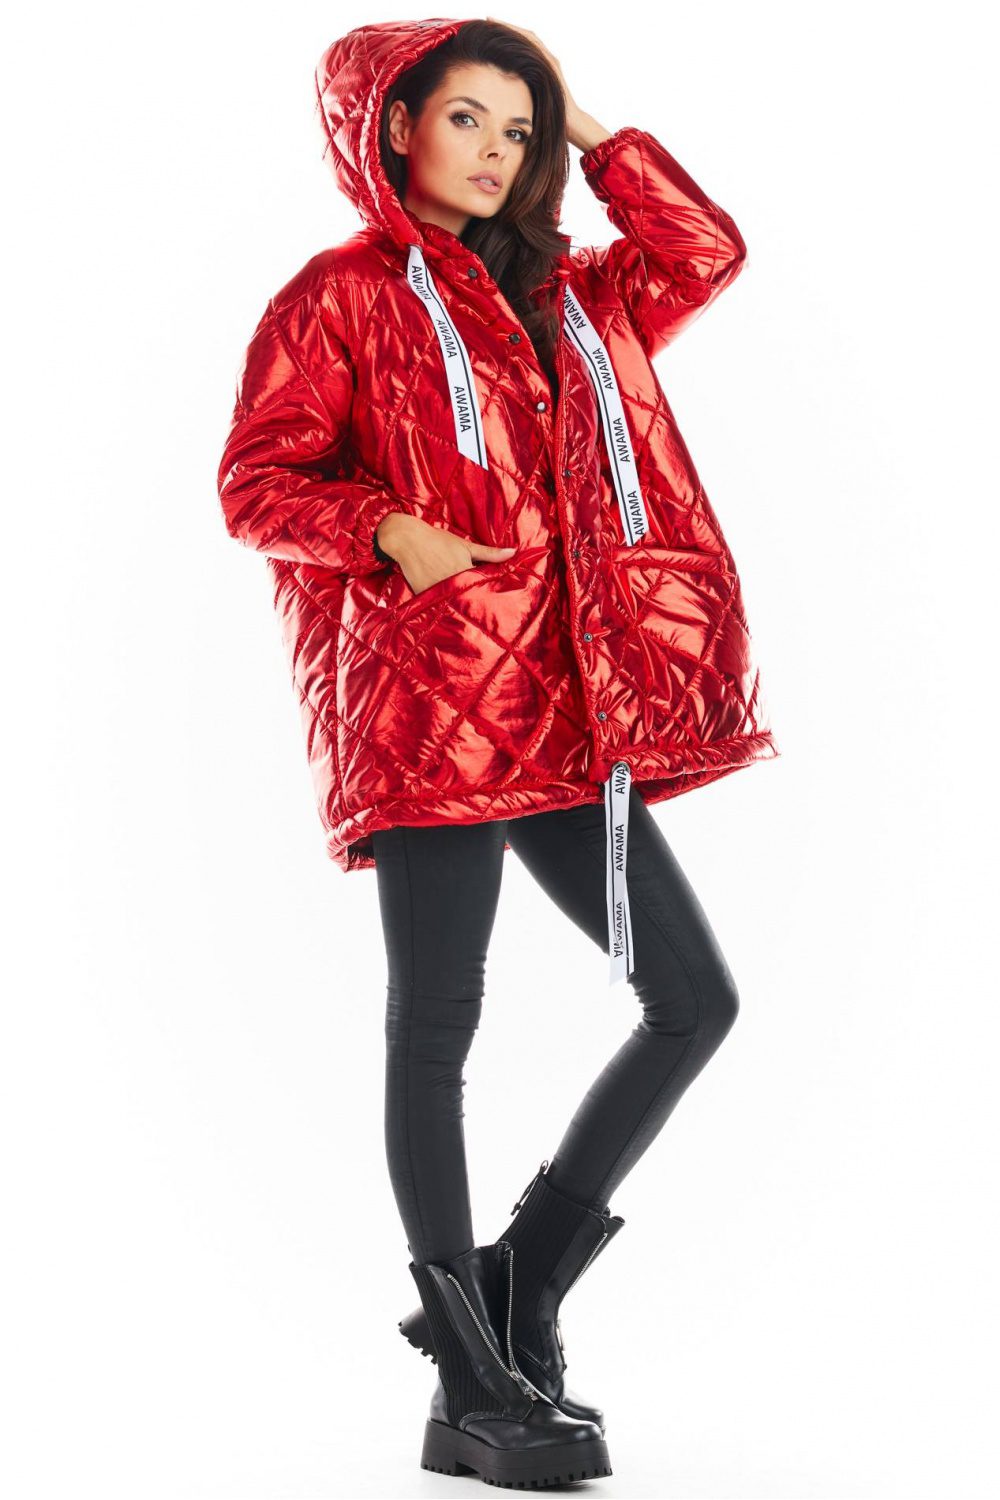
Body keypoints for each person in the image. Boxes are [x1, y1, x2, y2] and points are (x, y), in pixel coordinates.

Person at [217, 16, 779, 1487]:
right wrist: (384, 530)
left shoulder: (581, 294)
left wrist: (589, 125)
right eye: (467, 117)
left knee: (694, 1000)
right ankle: (473, 1383)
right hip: (427, 704)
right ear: (395, 126)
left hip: (571, 713)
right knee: (438, 1027)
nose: (495, 149)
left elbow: (708, 250)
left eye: (517, 130)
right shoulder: (338, 296)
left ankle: (522, 1283)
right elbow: (256, 482)